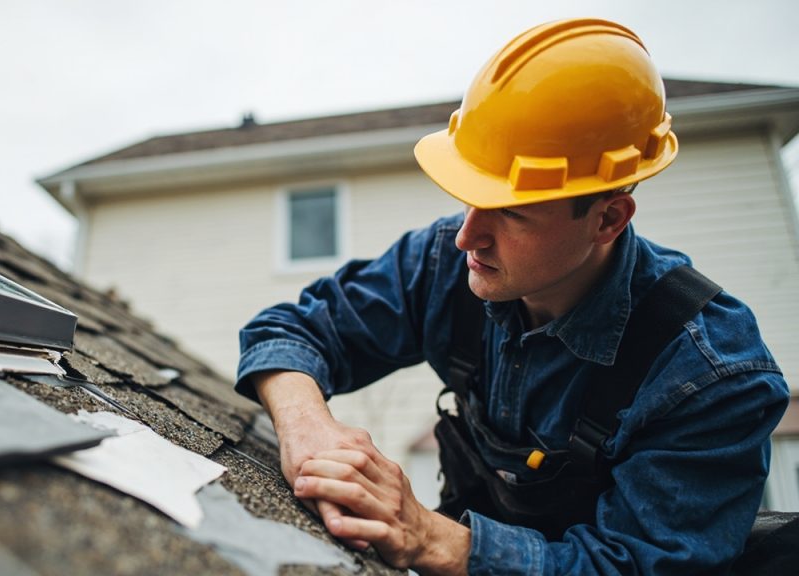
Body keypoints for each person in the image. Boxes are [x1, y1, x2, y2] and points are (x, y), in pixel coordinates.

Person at [234, 18, 791, 576]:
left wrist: (433, 540)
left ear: (607, 219)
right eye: (471, 198)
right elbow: (288, 330)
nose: (465, 237)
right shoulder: (446, 264)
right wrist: (308, 427)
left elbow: (641, 565)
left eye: (512, 213)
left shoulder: (709, 374)